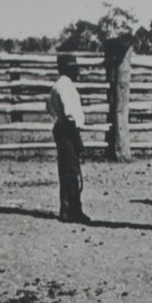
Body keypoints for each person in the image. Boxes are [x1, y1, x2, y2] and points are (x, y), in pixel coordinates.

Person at [47, 52, 90, 223]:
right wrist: (77, 139)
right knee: (71, 172)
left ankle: (68, 208)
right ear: (66, 69)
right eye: (74, 68)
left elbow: (49, 108)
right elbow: (69, 114)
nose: (77, 72)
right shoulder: (64, 86)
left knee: (67, 170)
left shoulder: (60, 85)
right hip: (67, 129)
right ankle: (72, 210)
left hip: (63, 127)